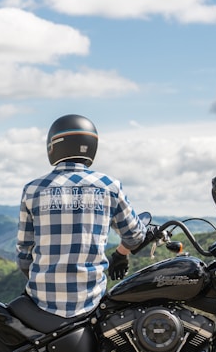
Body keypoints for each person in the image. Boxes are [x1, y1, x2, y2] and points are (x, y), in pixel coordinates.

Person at [16, 114, 147, 318]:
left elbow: (24, 254)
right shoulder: (109, 186)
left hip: (41, 302)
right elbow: (135, 236)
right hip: (92, 302)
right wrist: (120, 254)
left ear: (54, 145)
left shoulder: (33, 189)